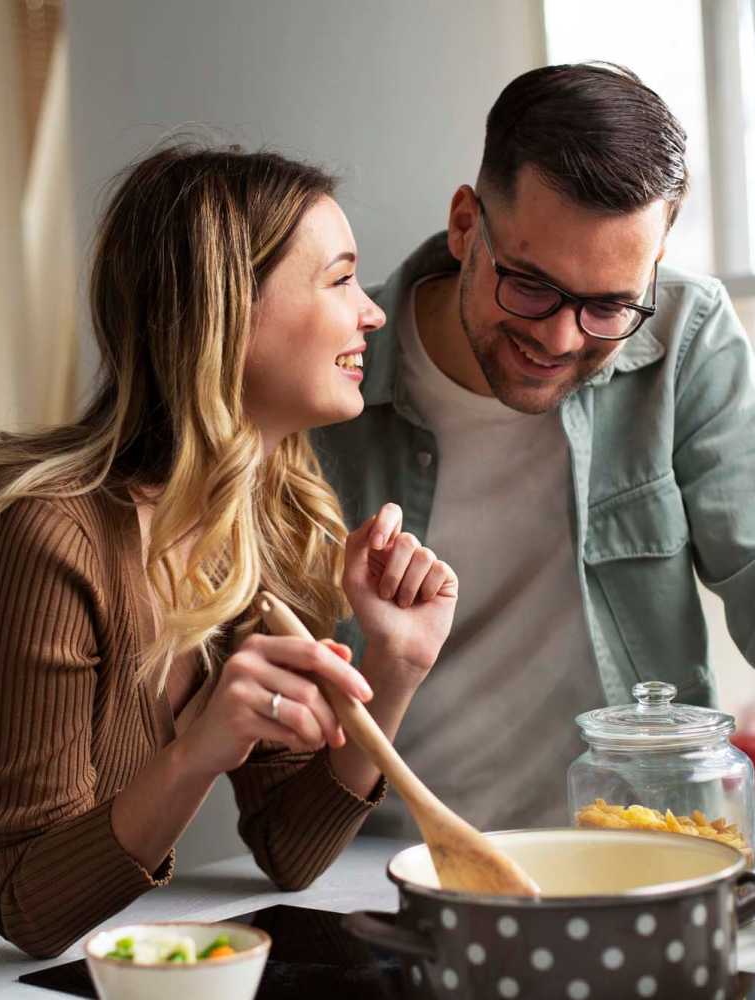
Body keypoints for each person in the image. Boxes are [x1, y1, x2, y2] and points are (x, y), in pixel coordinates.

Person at [0, 145, 459, 972]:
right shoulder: (44, 535)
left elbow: (291, 850)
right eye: (339, 279)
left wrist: (397, 667)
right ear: (227, 312)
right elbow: (28, 904)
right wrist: (198, 750)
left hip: (24, 948)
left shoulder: (270, 518)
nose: (370, 313)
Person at [313, 63, 755, 839]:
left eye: (610, 304)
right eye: (530, 286)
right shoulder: (329, 370)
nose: (559, 338)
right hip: (387, 864)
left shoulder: (686, 333)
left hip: (641, 849)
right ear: (464, 226)